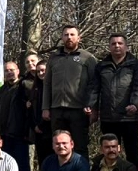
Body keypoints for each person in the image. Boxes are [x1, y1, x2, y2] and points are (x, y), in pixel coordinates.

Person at [41, 25, 98, 159]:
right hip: (56, 109)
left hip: (78, 110)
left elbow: (94, 84)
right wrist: (45, 107)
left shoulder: (88, 58)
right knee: (58, 145)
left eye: (72, 35)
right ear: (62, 38)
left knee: (80, 146)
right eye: (66, 35)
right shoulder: (53, 58)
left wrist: (93, 107)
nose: (69, 37)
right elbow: (47, 83)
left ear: (79, 38)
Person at [95, 34, 138, 166]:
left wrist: (135, 104)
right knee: (109, 151)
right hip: (108, 117)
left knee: (132, 151)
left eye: (120, 43)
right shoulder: (102, 66)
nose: (117, 46)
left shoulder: (135, 65)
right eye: (113, 44)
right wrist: (91, 107)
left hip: (129, 117)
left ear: (126, 46)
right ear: (109, 47)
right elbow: (94, 88)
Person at [0, 61, 31, 171]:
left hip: (19, 133)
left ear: (18, 71)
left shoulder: (24, 87)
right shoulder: (1, 90)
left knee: (21, 164)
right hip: (3, 134)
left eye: (12, 70)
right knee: (5, 165)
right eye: (6, 70)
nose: (9, 73)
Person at [30, 60, 50, 166]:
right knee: (42, 160)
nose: (41, 73)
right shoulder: (35, 88)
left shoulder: (53, 88)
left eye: (43, 70)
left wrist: (41, 125)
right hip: (37, 130)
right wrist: (35, 125)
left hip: (49, 129)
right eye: (38, 72)